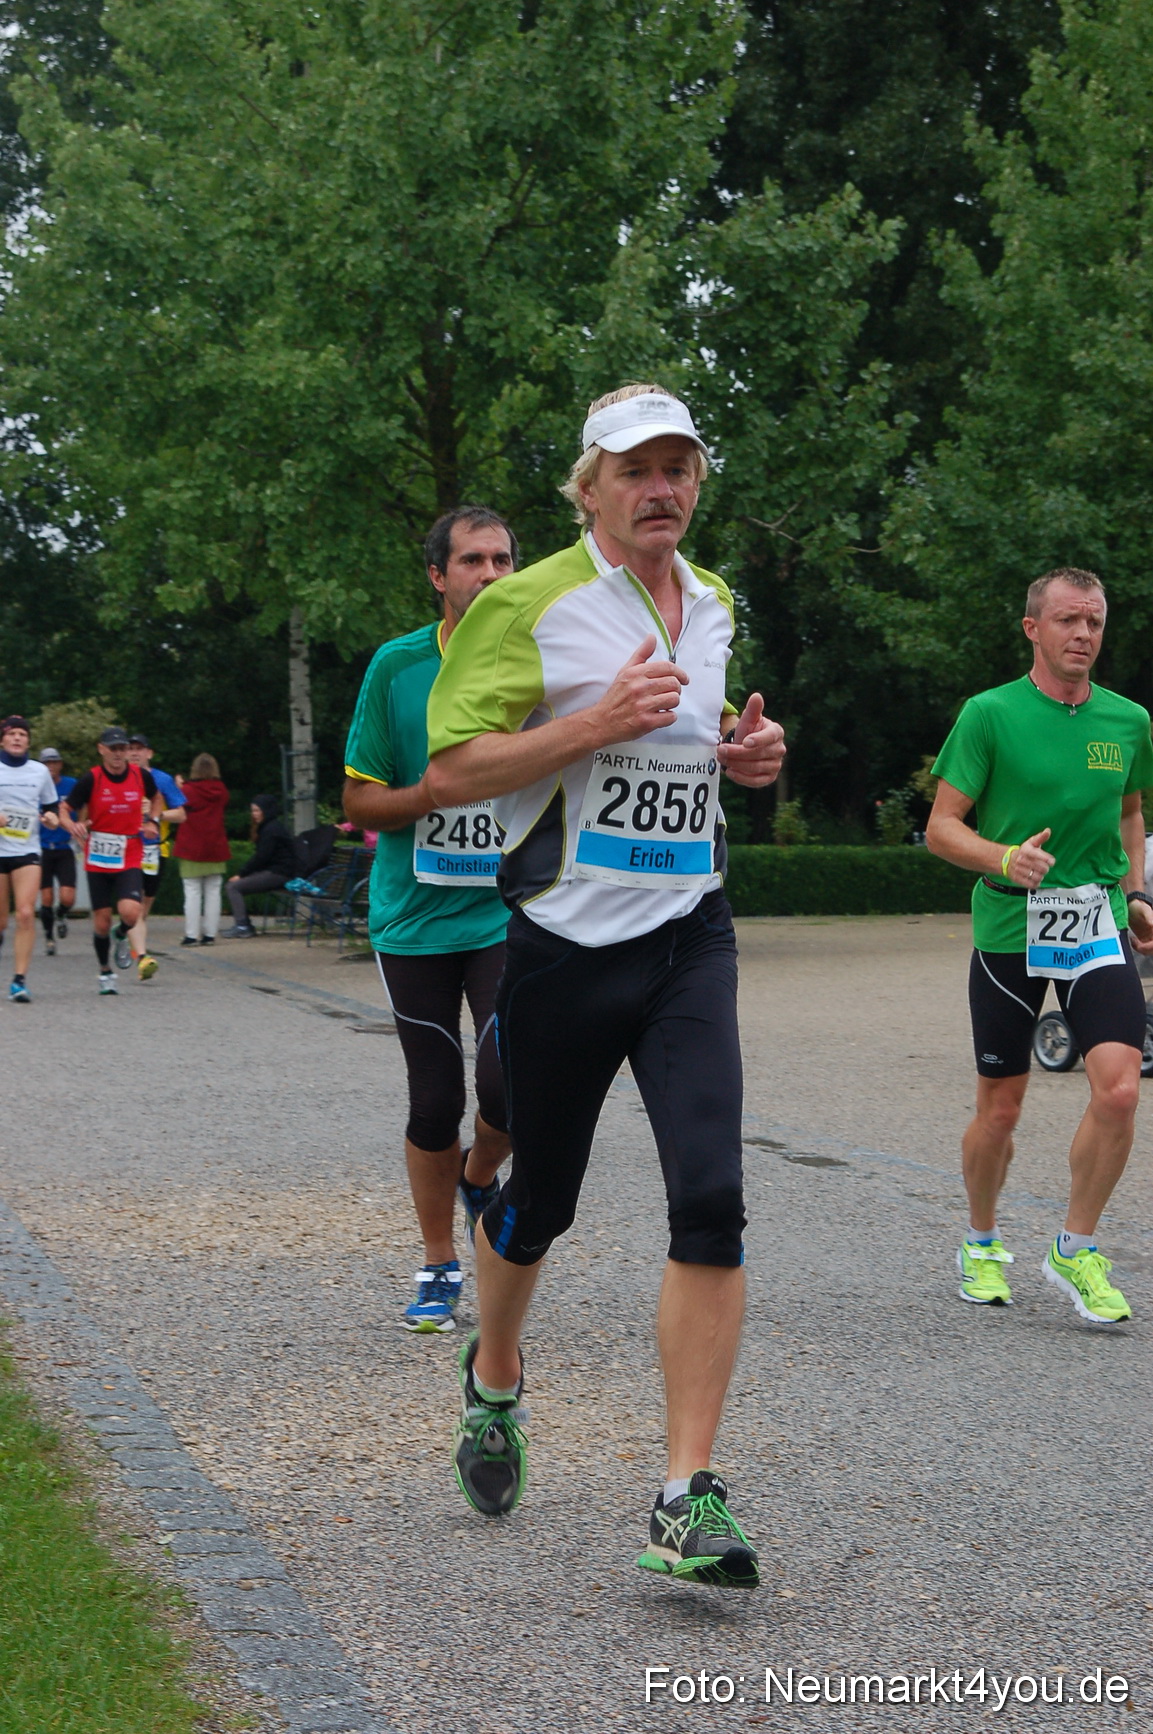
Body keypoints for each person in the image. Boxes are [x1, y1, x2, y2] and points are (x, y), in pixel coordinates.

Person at [424, 385, 785, 1585]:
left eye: (679, 467)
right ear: (588, 489)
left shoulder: (718, 601)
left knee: (714, 1197)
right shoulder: (527, 604)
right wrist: (584, 730)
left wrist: (742, 757)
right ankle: (494, 1372)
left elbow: (687, 751)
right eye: (636, 470)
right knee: (543, 1201)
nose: (662, 488)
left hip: (690, 935)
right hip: (566, 954)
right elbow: (454, 771)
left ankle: (686, 1497)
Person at [926, 567, 1153, 1325]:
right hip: (1008, 923)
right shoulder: (988, 715)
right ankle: (981, 1241)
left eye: (1093, 621)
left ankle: (1074, 1246)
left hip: (1094, 922)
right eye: (1066, 620)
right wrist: (1000, 857)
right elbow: (940, 827)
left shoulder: (1127, 721)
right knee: (1001, 1109)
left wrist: (1137, 894)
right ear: (1033, 628)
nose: (1082, 634)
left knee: (1119, 1088)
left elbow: (1128, 815)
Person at [343, 506, 518, 1333]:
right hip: (413, 917)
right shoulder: (398, 666)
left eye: (503, 560)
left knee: (510, 1082)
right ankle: (439, 1261)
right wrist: (430, 795)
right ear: (437, 576)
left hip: (503, 911)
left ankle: (480, 1179)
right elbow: (357, 797)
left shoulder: (540, 662)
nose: (490, 574)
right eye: (473, 560)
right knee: (432, 1096)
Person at [66, 726, 165, 994]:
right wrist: (72, 826)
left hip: (129, 853)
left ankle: (122, 934)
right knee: (101, 921)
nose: (119, 754)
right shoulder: (91, 779)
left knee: (131, 912)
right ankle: (105, 972)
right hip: (98, 857)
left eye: (123, 749)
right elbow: (66, 808)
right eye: (113, 749)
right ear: (102, 750)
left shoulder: (140, 776)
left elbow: (156, 798)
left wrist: (153, 821)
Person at [0, 716, 63, 1002]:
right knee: (0, 921)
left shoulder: (39, 772)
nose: (17, 738)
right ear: (2, 739)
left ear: (28, 741)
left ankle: (19, 980)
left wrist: (51, 819)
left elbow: (51, 809)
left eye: (22, 734)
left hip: (26, 851)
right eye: (11, 734)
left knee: (25, 913)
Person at [116, 733, 186, 969]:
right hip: (125, 848)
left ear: (149, 753)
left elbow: (182, 814)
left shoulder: (162, 780)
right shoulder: (117, 777)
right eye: (130, 748)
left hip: (155, 850)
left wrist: (156, 815)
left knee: (144, 906)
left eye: (139, 749)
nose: (134, 753)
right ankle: (142, 956)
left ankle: (128, 936)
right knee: (133, 904)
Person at [173, 754, 231, 945]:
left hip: (191, 845)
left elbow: (182, 804)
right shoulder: (221, 790)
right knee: (214, 891)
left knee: (192, 891)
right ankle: (210, 934)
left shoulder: (188, 790)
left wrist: (180, 786)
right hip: (216, 845)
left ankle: (191, 934)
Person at [223, 795, 296, 935]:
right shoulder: (270, 827)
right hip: (277, 871)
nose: (254, 814)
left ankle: (243, 926)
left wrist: (242, 874)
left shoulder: (271, 830)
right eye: (253, 811)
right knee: (235, 886)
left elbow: (261, 857)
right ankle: (244, 924)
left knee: (233, 887)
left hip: (279, 873)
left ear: (266, 810)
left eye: (257, 810)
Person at [36, 747, 77, 956]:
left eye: (54, 762)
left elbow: (80, 809)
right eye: (47, 763)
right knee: (46, 898)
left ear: (60, 764)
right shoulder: (35, 787)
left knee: (68, 897)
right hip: (42, 849)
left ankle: (61, 915)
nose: (51, 767)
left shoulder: (71, 785)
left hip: (63, 848)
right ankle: (49, 937)